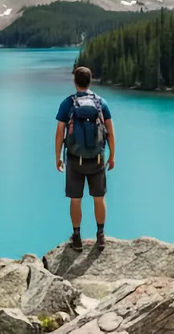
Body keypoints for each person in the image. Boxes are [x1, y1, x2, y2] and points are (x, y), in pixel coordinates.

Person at [55, 65, 115, 250]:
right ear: (90, 81)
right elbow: (110, 133)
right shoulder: (100, 103)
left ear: (75, 82)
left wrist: (58, 157)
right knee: (99, 198)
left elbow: (59, 133)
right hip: (97, 159)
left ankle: (77, 237)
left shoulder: (68, 103)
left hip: (75, 159)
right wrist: (112, 156)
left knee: (75, 199)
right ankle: (101, 235)